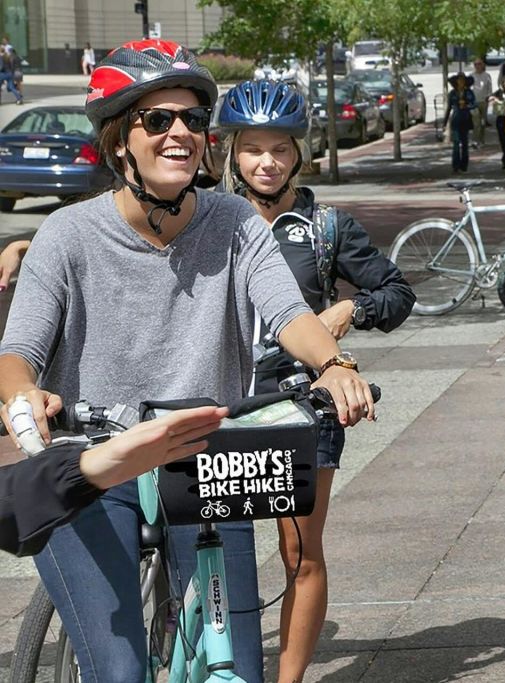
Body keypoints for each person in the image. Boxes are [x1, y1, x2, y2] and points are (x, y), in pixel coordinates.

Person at [0, 39, 376, 683]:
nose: (180, 133)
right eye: (157, 120)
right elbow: (18, 352)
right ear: (120, 140)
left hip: (206, 456)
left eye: (193, 121)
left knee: (237, 668)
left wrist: (332, 365)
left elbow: (289, 314)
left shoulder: (234, 223)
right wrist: (22, 396)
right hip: (97, 460)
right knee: (117, 670)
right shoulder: (67, 233)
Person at [216, 78, 415, 683]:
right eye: (252, 148)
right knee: (208, 548)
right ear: (231, 154)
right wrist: (26, 244)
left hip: (299, 406)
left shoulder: (325, 226)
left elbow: (397, 291)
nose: (267, 162)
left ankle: (288, 679)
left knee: (298, 552)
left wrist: (349, 310)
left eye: (279, 149)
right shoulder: (204, 217)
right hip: (217, 401)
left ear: (300, 153)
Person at [1, 405, 228, 557]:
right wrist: (81, 470)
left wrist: (82, 470)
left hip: (208, 464)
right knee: (110, 628)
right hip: (90, 470)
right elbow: (20, 349)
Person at [444, 72, 475, 173]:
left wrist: (466, 106)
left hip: (465, 119)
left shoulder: (469, 92)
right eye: (459, 80)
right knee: (456, 143)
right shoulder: (452, 93)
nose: (461, 82)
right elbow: (449, 107)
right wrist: (445, 122)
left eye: (463, 80)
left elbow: (474, 104)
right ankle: (455, 166)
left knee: (465, 144)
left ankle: (464, 165)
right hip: (456, 120)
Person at [470, 59, 493, 148]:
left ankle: (481, 140)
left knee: (483, 123)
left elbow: (489, 88)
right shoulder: (471, 76)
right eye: (476, 64)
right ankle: (475, 141)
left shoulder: (487, 76)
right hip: (474, 103)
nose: (478, 66)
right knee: (476, 123)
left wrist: (489, 97)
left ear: (482, 65)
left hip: (484, 102)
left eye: (479, 64)